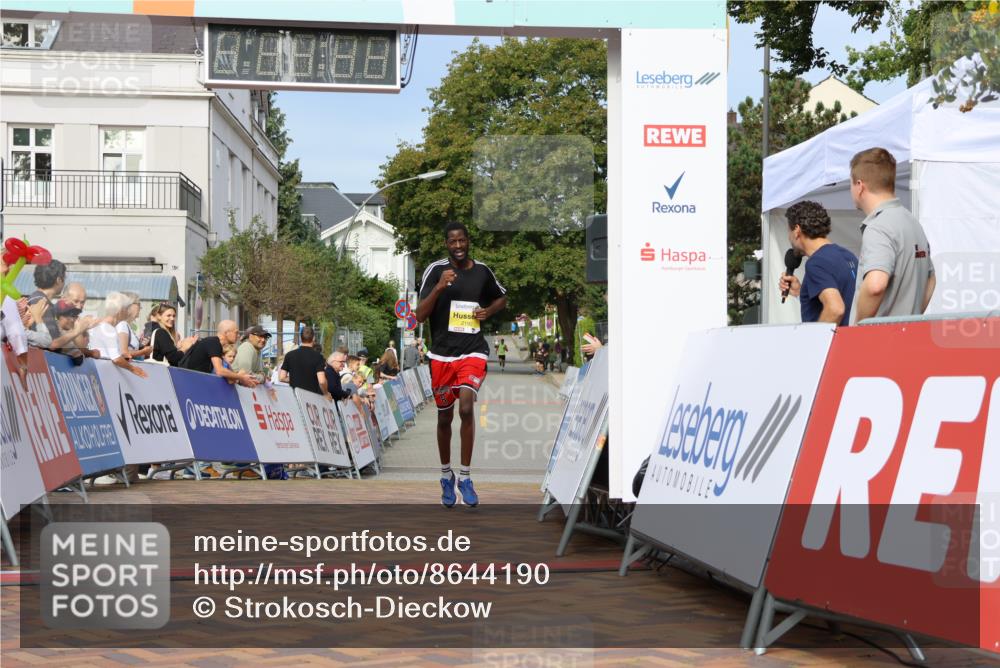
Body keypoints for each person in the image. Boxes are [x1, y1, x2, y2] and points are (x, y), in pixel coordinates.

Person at [415, 221, 507, 508]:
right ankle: (446, 475)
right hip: (441, 356)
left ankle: (465, 477)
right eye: (452, 241)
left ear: (468, 241)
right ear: (446, 244)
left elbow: (502, 297)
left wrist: (489, 310)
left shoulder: (482, 271)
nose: (458, 246)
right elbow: (419, 315)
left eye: (462, 241)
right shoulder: (435, 271)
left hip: (472, 351)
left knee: (466, 407)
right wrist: (440, 287)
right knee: (445, 417)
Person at [849, 147, 935, 323]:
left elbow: (875, 285)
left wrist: (859, 328)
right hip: (906, 338)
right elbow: (931, 280)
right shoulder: (912, 222)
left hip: (878, 342)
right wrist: (910, 318)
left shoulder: (878, 227)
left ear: (859, 186)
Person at [777, 200, 859, 325]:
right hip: (852, 340)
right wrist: (801, 291)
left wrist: (816, 340)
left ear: (796, 230)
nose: (789, 238)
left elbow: (835, 309)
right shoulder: (849, 256)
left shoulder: (816, 263)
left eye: (789, 232)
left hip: (834, 343)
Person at [180, 319, 258, 386]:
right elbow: (219, 371)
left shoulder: (215, 344)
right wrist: (240, 377)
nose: (238, 336)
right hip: (190, 383)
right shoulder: (214, 342)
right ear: (226, 333)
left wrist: (237, 377)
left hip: (193, 382)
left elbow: (228, 379)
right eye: (236, 332)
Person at [87, 292, 147, 377]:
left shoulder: (100, 326)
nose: (128, 312)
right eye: (127, 309)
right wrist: (133, 369)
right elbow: (116, 359)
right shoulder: (108, 329)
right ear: (120, 310)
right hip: (103, 373)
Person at [279, 326, 327, 394]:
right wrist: (326, 393)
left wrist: (297, 380)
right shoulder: (318, 357)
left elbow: (282, 377)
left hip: (295, 395)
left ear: (301, 338)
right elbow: (322, 381)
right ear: (313, 338)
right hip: (311, 397)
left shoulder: (289, 355)